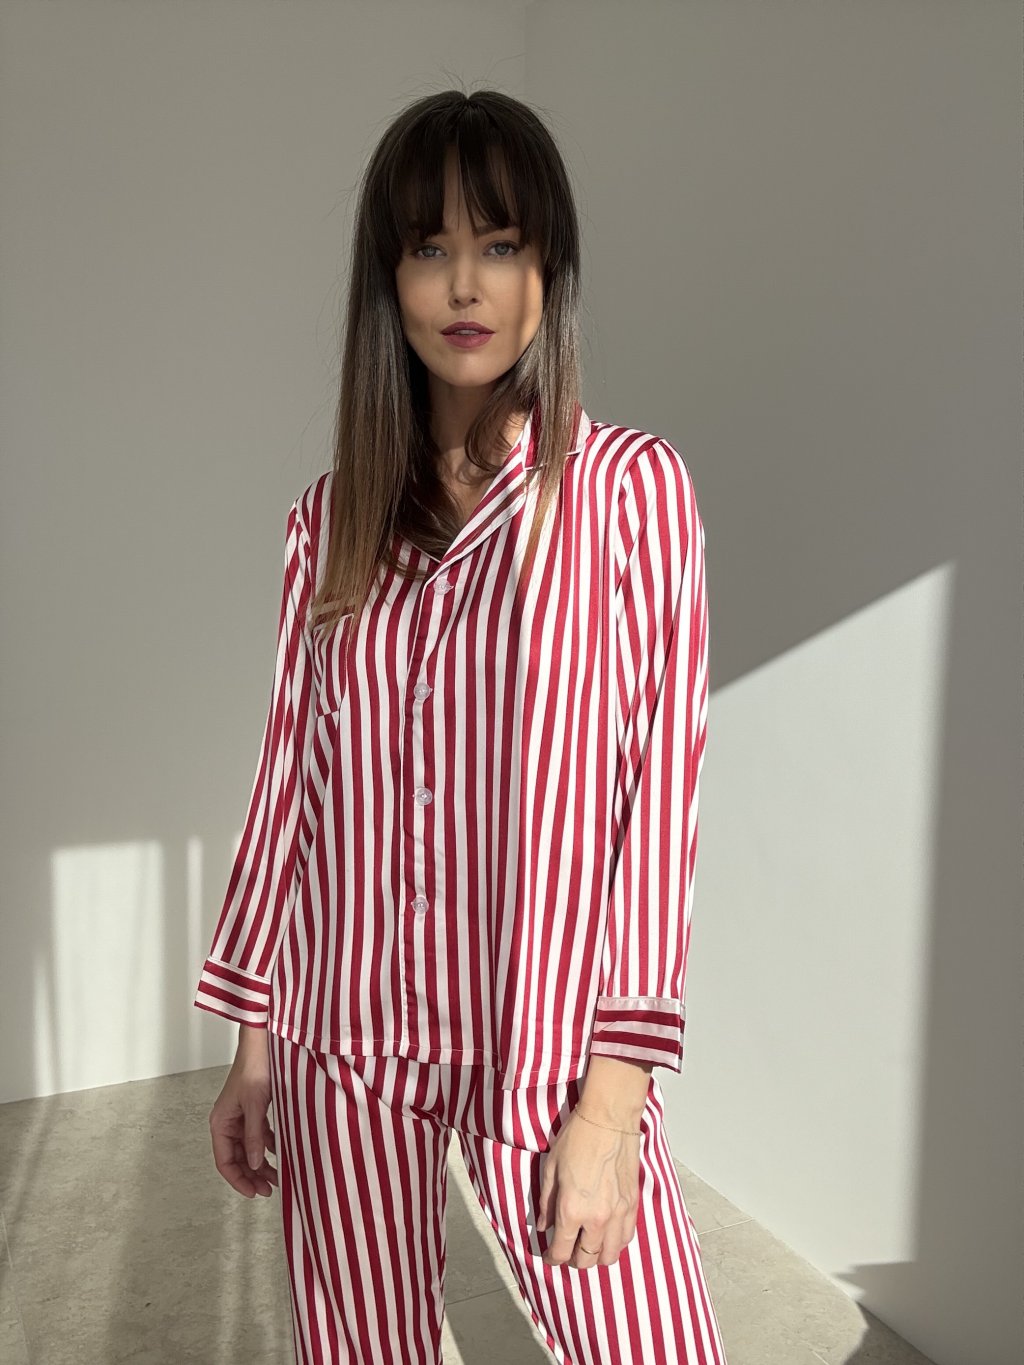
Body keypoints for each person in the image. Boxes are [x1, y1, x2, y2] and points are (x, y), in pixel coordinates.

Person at [193, 87, 727, 1365]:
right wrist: (255, 1043)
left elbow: (655, 808)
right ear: (389, 280)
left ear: (551, 269)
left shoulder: (627, 493)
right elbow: (293, 782)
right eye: (428, 247)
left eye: (500, 243)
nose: (465, 284)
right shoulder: (328, 521)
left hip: (540, 1041)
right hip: (344, 1037)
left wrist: (612, 1106)